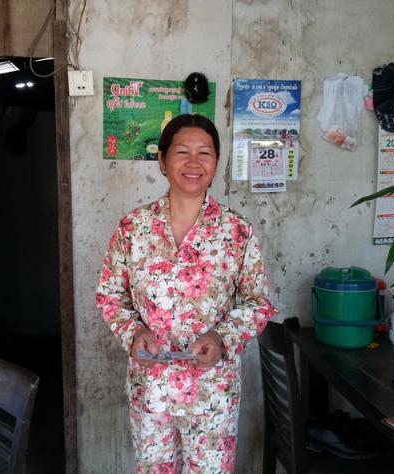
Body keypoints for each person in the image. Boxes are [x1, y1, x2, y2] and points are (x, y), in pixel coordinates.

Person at [96, 114, 277, 473]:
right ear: (162, 161)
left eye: (204, 153)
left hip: (213, 391)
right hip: (151, 389)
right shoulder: (133, 228)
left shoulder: (237, 231)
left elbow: (258, 303)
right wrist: (133, 333)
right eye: (182, 152)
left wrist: (222, 337)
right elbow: (110, 296)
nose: (193, 163)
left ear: (216, 162)